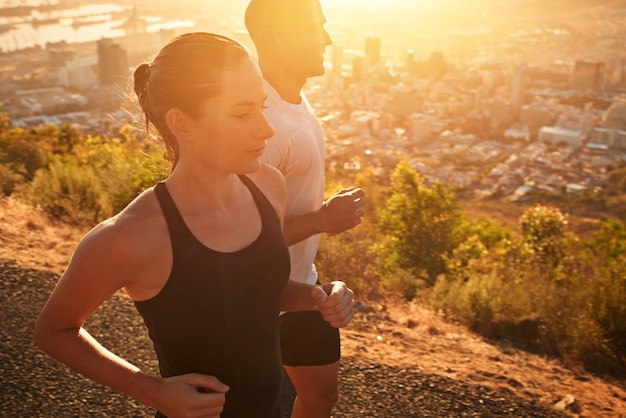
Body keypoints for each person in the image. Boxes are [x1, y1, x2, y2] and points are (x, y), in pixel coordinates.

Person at [33, 32, 355, 418]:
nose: (266, 130)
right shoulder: (133, 234)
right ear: (182, 123)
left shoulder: (268, 186)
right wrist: (152, 391)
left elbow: (254, 291)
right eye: (242, 113)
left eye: (262, 108)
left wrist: (318, 298)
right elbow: (54, 331)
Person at [245, 1, 366, 417]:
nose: (327, 39)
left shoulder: (294, 101)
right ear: (271, 38)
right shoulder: (262, 123)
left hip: (303, 286)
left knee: (320, 399)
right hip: (256, 302)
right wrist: (324, 220)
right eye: (314, 29)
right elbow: (240, 237)